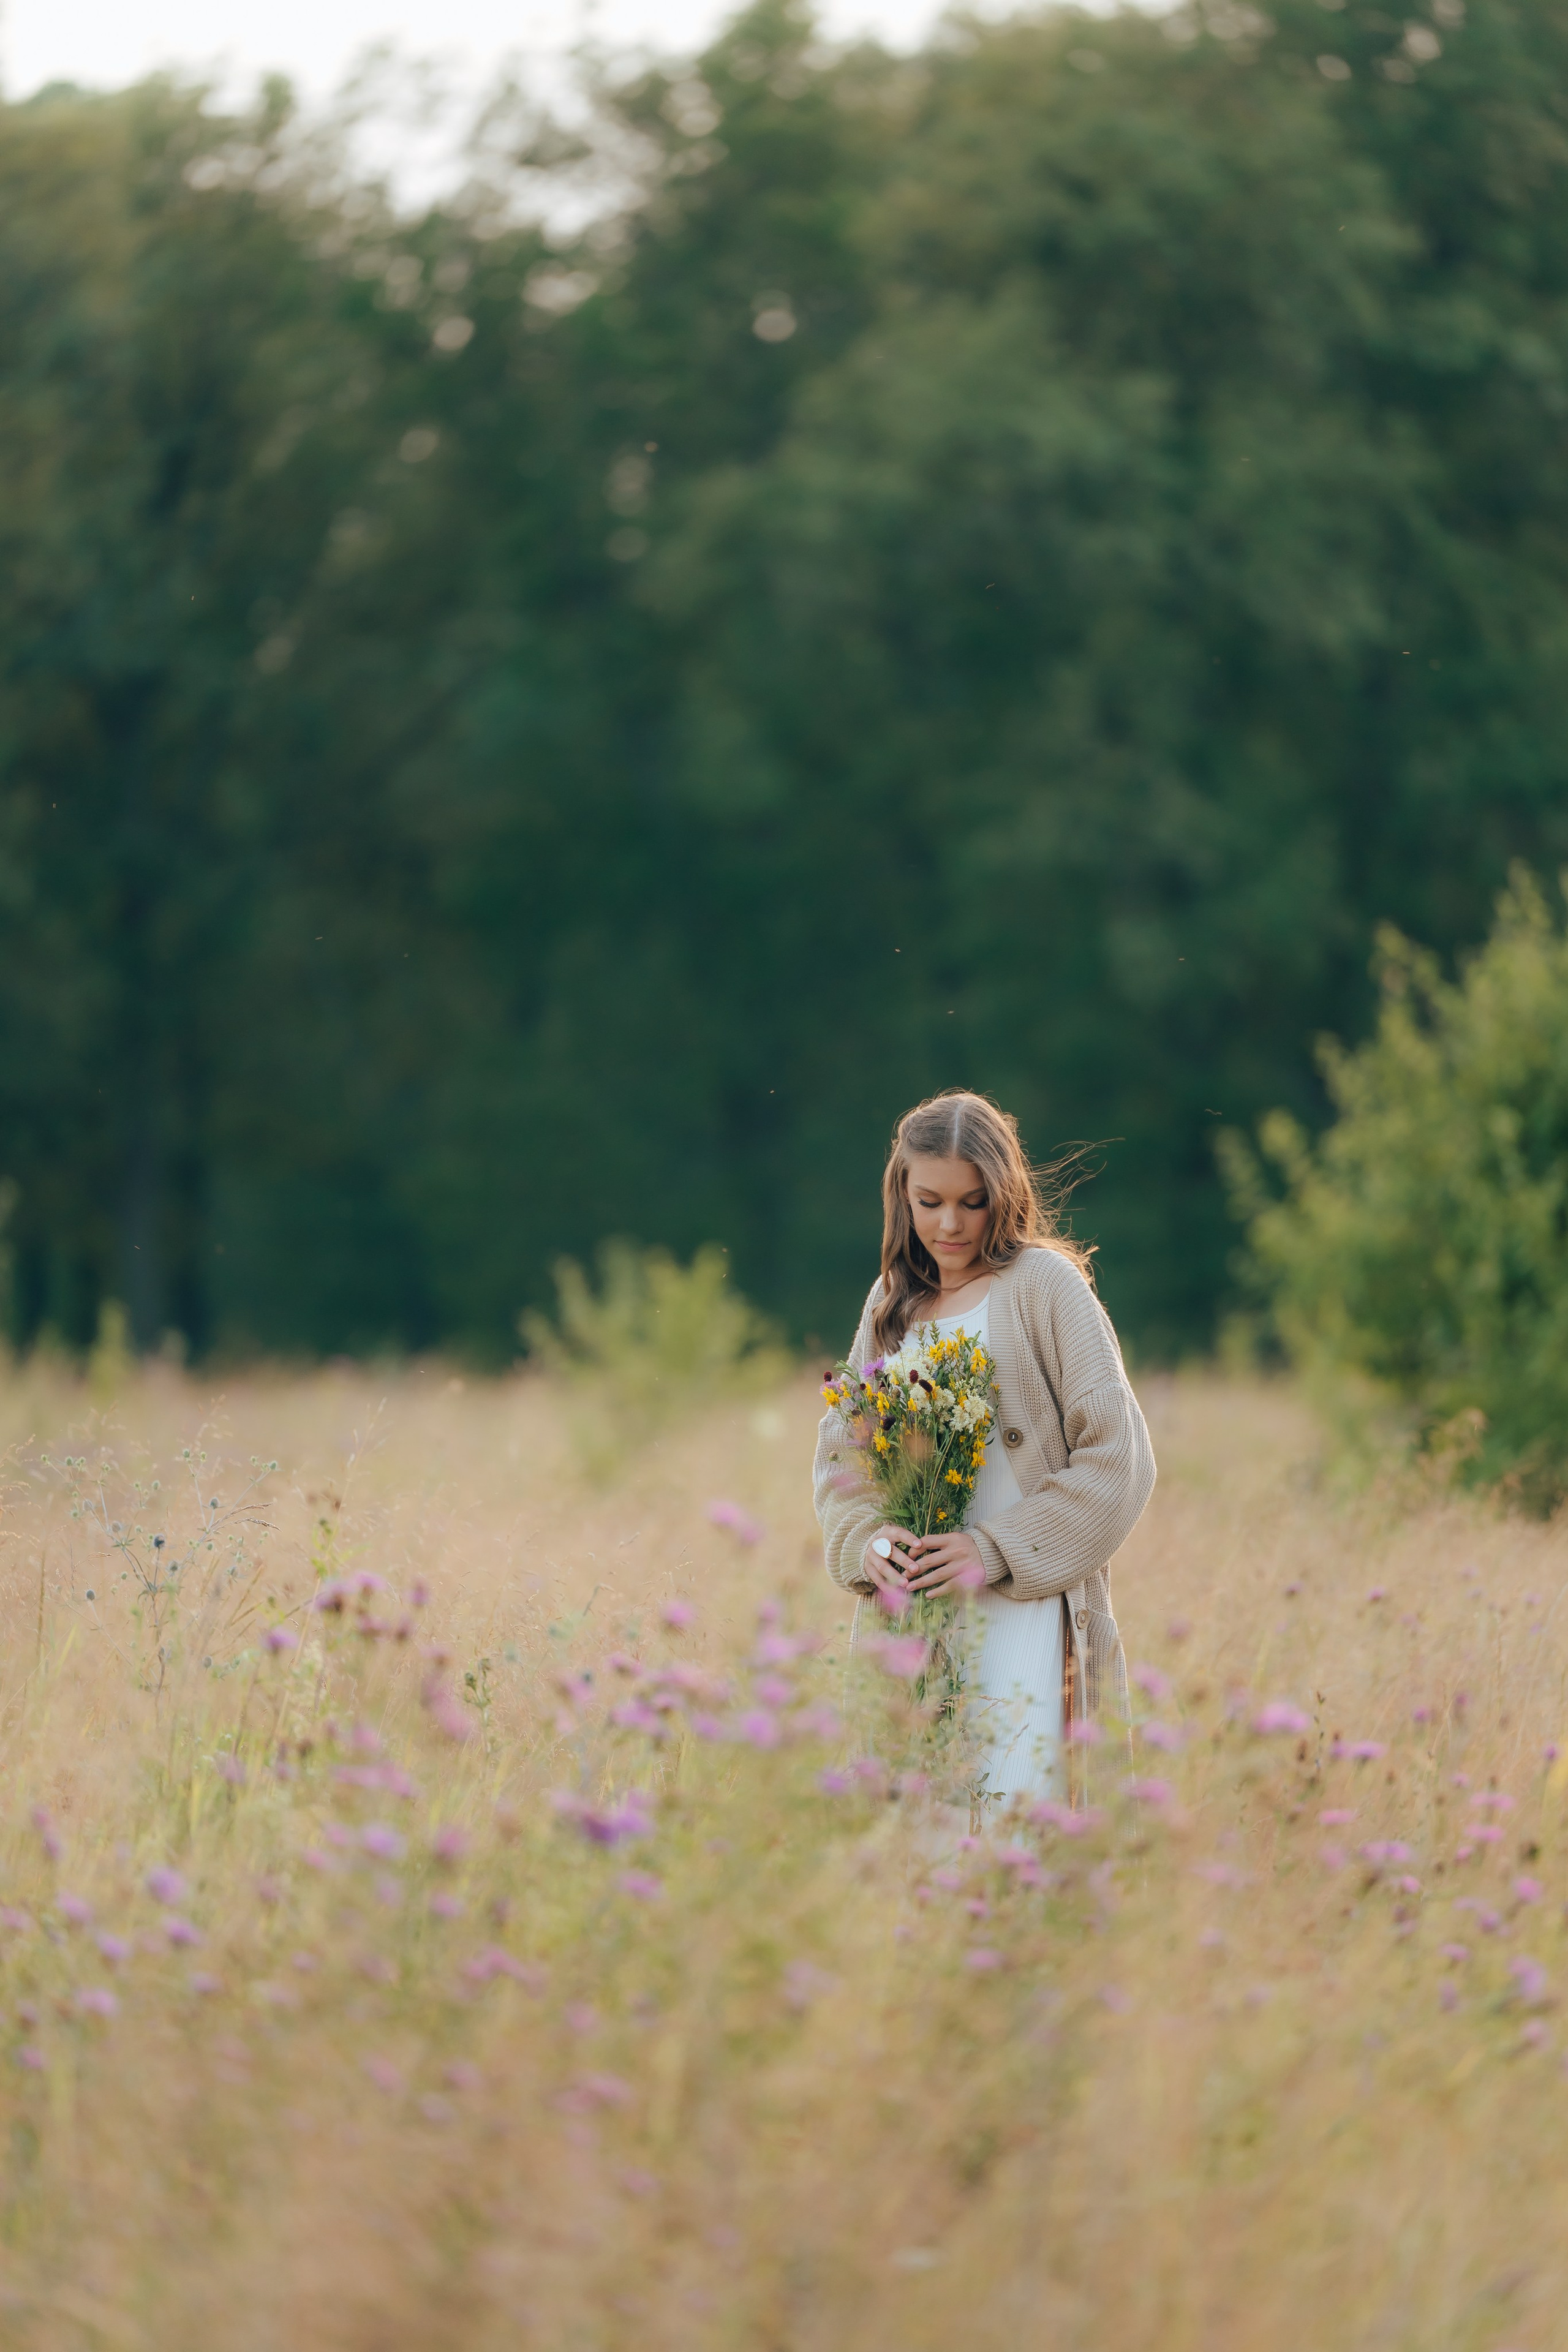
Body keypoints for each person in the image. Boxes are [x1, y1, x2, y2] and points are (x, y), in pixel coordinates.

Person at [813, 1090, 1155, 1804]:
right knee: (917, 1832)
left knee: (1024, 1818)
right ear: (901, 1195)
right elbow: (842, 1455)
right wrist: (870, 1545)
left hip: (1026, 1609)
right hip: (913, 1617)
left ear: (1004, 1193)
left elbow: (1120, 1458)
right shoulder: (887, 1304)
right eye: (929, 1200)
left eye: (971, 1202)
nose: (949, 1223)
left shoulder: (1045, 1287)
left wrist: (994, 1549)